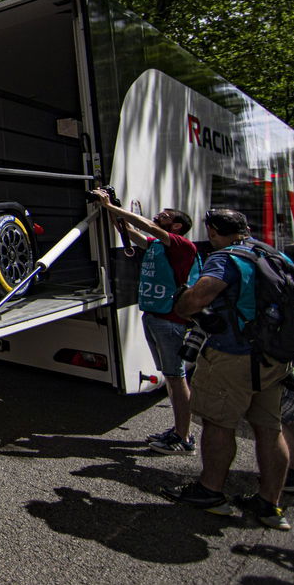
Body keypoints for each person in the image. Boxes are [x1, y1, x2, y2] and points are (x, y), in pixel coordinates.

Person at [163, 208, 292, 530]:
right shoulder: (273, 254)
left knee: (219, 423)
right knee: (270, 428)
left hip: (233, 355)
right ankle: (269, 504)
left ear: (213, 231)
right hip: (274, 356)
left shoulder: (225, 257)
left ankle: (210, 491)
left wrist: (182, 303)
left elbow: (199, 298)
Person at [92, 192, 199, 454]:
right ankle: (178, 430)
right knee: (172, 378)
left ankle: (183, 438)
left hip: (170, 321)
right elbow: (129, 229)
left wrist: (109, 207)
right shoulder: (155, 246)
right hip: (153, 317)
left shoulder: (182, 246)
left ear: (176, 227)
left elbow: (147, 227)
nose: (159, 215)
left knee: (176, 378)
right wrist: (112, 207)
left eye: (166, 215)